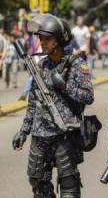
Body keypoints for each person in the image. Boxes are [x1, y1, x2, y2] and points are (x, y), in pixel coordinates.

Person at [12, 13, 94, 198]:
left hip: (64, 134)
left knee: (69, 184)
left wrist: (65, 86)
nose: (43, 42)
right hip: (40, 134)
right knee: (37, 181)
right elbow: (33, 102)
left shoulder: (76, 64)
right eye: (41, 38)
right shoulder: (41, 66)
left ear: (60, 40)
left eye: (48, 39)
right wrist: (24, 131)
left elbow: (88, 97)